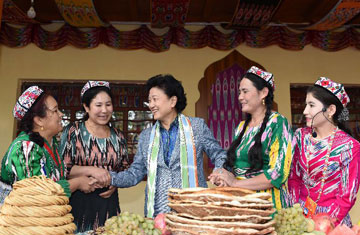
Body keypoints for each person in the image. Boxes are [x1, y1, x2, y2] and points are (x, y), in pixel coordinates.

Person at [109, 74, 227, 218]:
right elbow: (135, 174)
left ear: (172, 101)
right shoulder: (146, 136)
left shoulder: (197, 127)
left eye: (155, 99)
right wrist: (109, 178)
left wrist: (219, 172)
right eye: (149, 101)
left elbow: (219, 155)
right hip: (157, 215)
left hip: (193, 212)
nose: (151, 105)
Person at [208, 66, 294, 210]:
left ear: (263, 93)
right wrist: (223, 176)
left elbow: (277, 173)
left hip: (268, 206)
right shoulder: (241, 127)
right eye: (240, 92)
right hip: (242, 205)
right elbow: (237, 170)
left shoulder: (278, 123)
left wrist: (235, 183)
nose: (240, 97)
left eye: (245, 91)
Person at [0, 86, 97, 204]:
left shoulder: (51, 143)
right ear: (39, 120)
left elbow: (55, 178)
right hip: (21, 220)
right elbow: (37, 194)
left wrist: (90, 175)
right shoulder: (25, 148)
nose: (61, 114)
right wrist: (77, 183)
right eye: (55, 110)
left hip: (46, 218)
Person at [288, 77, 360, 226]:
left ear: (331, 110)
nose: (305, 111)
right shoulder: (301, 136)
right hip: (299, 216)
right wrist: (294, 212)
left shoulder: (349, 146)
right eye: (305, 104)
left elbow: (347, 195)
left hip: (331, 220)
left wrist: (326, 223)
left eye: (311, 105)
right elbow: (294, 178)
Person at [60, 81, 129, 232]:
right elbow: (62, 169)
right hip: (78, 200)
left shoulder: (118, 136)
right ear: (86, 107)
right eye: (98, 105)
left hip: (108, 202)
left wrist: (115, 182)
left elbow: (124, 169)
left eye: (108, 104)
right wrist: (91, 170)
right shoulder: (73, 131)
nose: (104, 110)